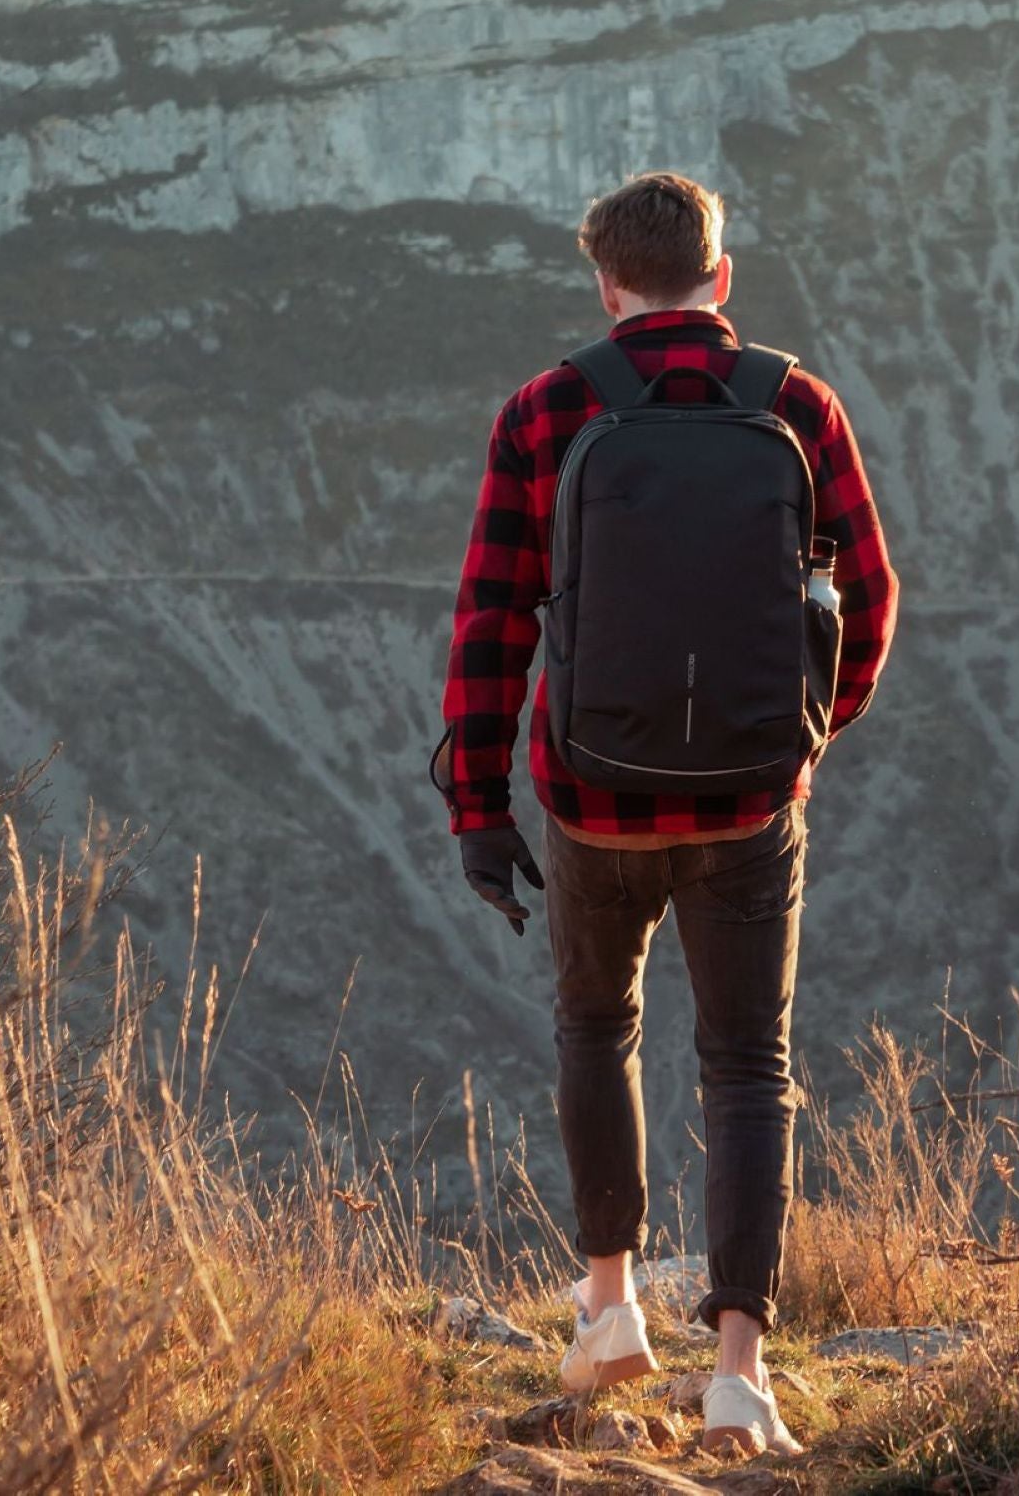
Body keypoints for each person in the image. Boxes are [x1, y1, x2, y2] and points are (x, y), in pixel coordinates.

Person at [435, 171, 897, 1455]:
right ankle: (741, 1372)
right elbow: (869, 591)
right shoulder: (797, 403)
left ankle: (610, 1306)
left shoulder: (545, 408)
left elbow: (489, 621)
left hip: (593, 798)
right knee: (750, 1064)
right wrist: (804, 734)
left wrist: (479, 803)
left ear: (607, 285)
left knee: (598, 1024)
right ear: (721, 277)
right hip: (752, 802)